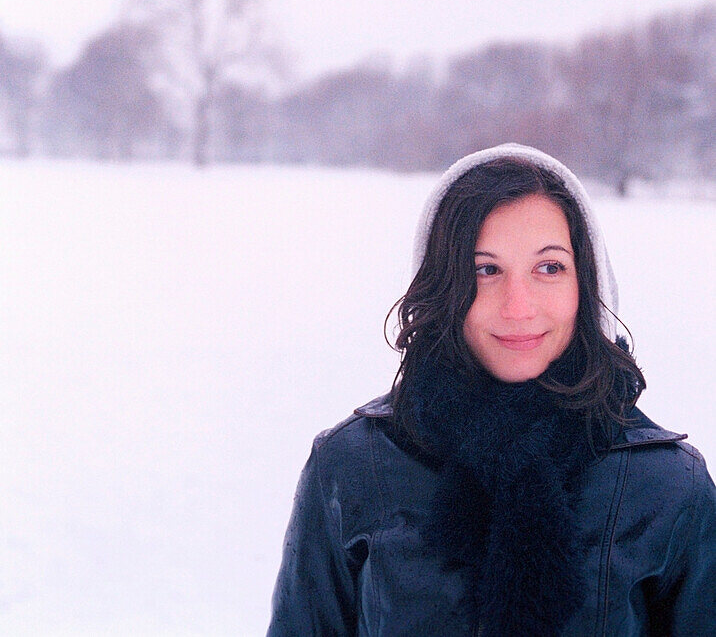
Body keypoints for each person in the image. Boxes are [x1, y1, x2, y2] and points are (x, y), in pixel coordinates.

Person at [267, 144, 716, 636]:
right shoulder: (351, 465)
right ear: (443, 283)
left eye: (549, 268)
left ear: (586, 284)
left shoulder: (669, 485)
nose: (518, 307)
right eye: (486, 269)